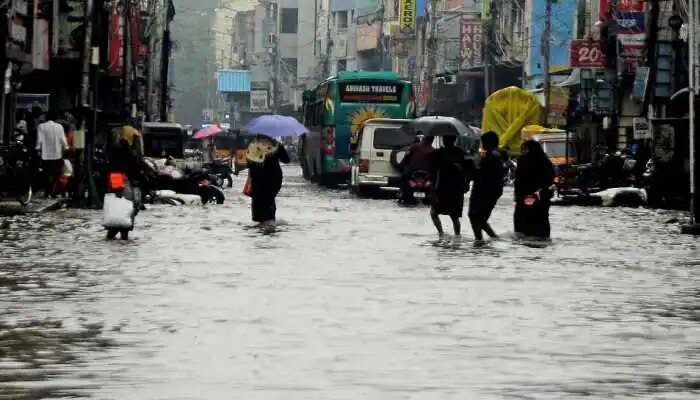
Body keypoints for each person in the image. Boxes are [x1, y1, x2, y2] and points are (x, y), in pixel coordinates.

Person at [429, 134, 473, 238]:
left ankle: (441, 233)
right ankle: (456, 235)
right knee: (454, 216)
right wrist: (466, 184)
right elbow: (470, 172)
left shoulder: (439, 153)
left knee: (434, 213)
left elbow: (433, 169)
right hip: (454, 188)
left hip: (443, 188)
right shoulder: (461, 153)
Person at [468, 131, 505, 246]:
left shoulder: (491, 157)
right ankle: (481, 240)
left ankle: (484, 239)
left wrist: (474, 167)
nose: (481, 144)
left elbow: (482, 175)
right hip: (489, 193)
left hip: (483, 193)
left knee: (476, 216)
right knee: (477, 217)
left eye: (483, 142)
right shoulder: (493, 156)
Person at [513, 139, 555, 240]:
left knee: (526, 221)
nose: (524, 152)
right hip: (535, 197)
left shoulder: (527, 160)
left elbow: (519, 179)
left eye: (525, 150)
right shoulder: (543, 160)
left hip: (531, 197)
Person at [247, 136, 290, 227]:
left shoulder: (253, 146)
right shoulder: (276, 146)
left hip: (257, 179)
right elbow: (286, 160)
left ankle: (261, 225)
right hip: (273, 179)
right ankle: (270, 222)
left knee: (259, 202)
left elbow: (249, 164)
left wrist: (249, 181)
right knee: (269, 200)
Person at [106, 139, 144, 240]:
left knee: (117, 218)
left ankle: (113, 238)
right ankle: (123, 239)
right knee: (126, 218)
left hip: (118, 189)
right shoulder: (131, 157)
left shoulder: (114, 160)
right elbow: (136, 175)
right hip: (128, 190)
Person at [36, 110, 68, 198]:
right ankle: (53, 190)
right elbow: (63, 139)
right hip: (57, 154)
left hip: (45, 154)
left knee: (46, 173)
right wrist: (66, 147)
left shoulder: (41, 126)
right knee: (56, 173)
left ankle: (47, 191)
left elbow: (40, 140)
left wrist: (37, 149)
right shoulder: (59, 127)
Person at [399, 133, 434, 204]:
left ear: (424, 139)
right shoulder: (433, 150)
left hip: (413, 172)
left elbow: (406, 158)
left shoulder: (414, 147)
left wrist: (402, 165)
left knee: (402, 178)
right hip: (427, 174)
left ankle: (402, 195)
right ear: (432, 140)